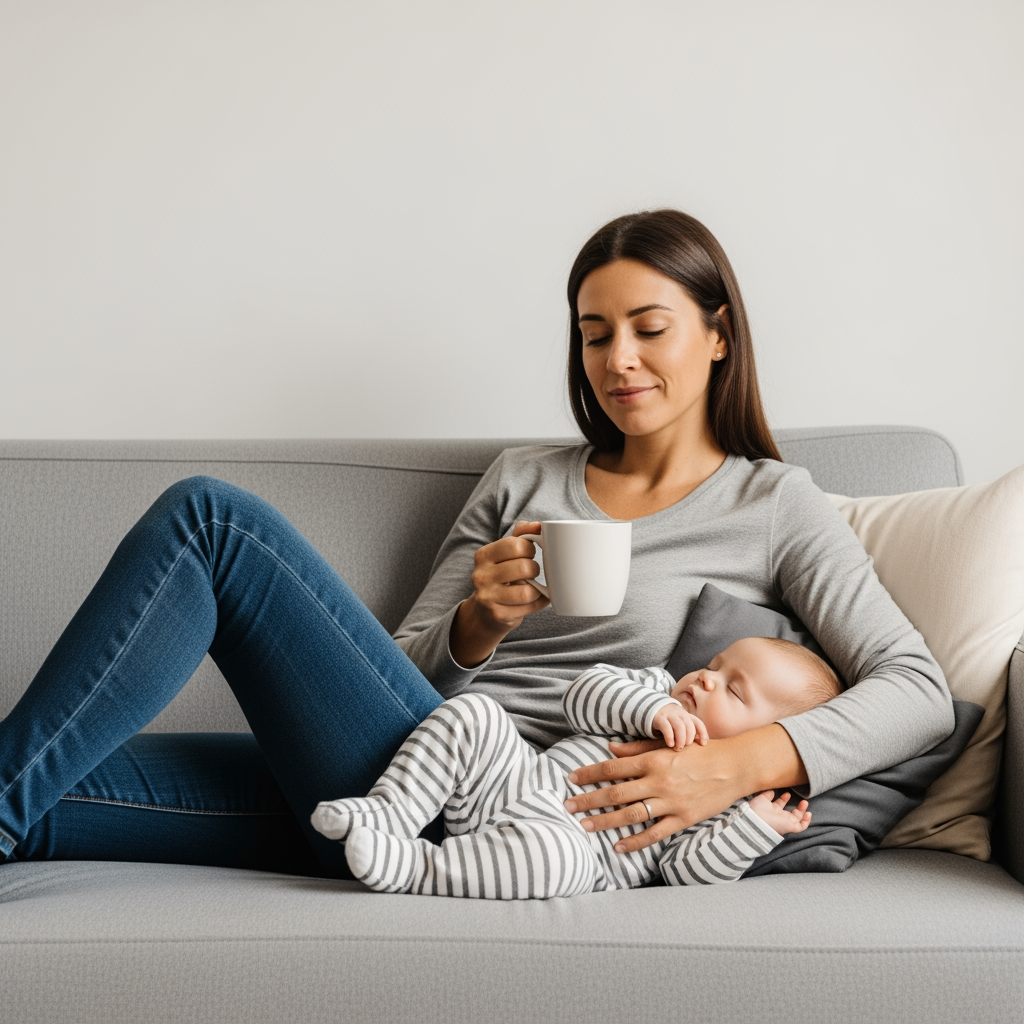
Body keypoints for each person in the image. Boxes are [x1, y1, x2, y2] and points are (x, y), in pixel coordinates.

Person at [0, 209, 953, 876]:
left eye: (648, 328)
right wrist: (474, 626)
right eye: (593, 334)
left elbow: (918, 693)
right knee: (38, 797)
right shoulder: (523, 479)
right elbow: (402, 667)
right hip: (412, 766)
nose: (617, 359)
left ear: (717, 335)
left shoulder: (774, 503)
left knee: (208, 520)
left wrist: (731, 765)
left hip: (525, 809)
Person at [311, 637, 840, 898]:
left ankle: (413, 866)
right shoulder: (657, 689)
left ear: (763, 739)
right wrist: (650, 709)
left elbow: (685, 873)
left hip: (567, 844)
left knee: (557, 859)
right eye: (715, 665)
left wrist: (752, 829)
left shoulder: (724, 804)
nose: (705, 679)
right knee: (474, 713)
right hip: (512, 779)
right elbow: (582, 694)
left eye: (733, 690)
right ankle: (389, 812)